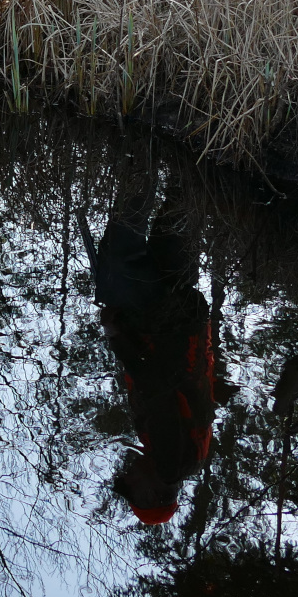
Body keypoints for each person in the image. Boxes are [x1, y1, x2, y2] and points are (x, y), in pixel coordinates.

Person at [90, 189, 220, 526]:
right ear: (150, 495)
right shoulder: (168, 463)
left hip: (184, 317)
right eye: (129, 487)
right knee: (120, 256)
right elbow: (157, 386)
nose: (126, 476)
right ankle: (138, 164)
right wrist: (117, 338)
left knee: (178, 218)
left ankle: (193, 158)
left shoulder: (191, 458)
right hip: (162, 322)